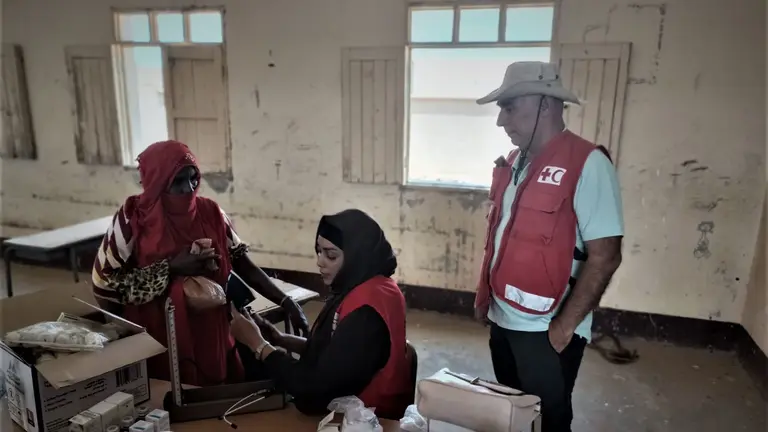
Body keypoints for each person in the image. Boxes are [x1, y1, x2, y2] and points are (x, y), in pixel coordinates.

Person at [473, 62, 624, 431]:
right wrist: (486, 298)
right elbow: (501, 237)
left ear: (544, 103)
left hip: (546, 330)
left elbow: (605, 256)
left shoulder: (588, 164)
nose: (501, 121)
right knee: (513, 410)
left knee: (549, 418)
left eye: (509, 108)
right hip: (503, 319)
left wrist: (564, 328)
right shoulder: (515, 162)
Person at [91, 140, 309, 387]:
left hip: (211, 327)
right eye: (177, 181)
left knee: (215, 385)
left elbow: (243, 263)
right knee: (168, 389)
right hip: (160, 329)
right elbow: (103, 283)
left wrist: (286, 301)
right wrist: (171, 268)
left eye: (193, 178)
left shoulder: (211, 213)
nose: (189, 188)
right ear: (157, 182)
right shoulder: (132, 218)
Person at [229, 209, 413, 420]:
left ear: (357, 255)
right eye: (319, 252)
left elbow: (314, 387)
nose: (320, 262)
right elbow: (338, 354)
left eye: (331, 255)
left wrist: (259, 346)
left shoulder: (366, 312)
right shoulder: (373, 285)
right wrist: (279, 339)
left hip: (367, 419)